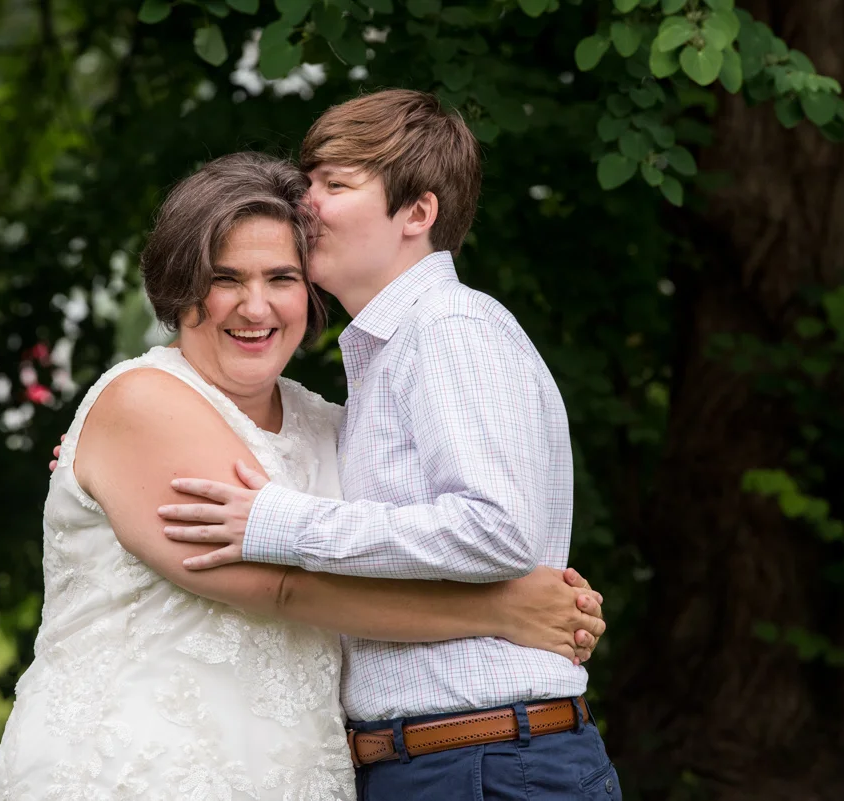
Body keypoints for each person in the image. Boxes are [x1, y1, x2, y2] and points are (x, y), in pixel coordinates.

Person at [0, 152, 606, 801]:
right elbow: (279, 588)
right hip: (135, 764)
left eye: (281, 276)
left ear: (308, 289)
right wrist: (500, 610)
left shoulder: (330, 423)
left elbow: (419, 521)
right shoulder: (144, 400)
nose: (255, 306)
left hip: (296, 770)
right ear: (179, 284)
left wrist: (547, 589)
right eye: (225, 278)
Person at [157, 91, 622, 799]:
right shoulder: (389, 358)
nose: (303, 203)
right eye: (309, 180)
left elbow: (493, 529)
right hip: (450, 759)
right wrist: (114, 440)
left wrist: (277, 523)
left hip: (487, 761)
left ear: (417, 214)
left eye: (334, 184)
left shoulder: (449, 331)